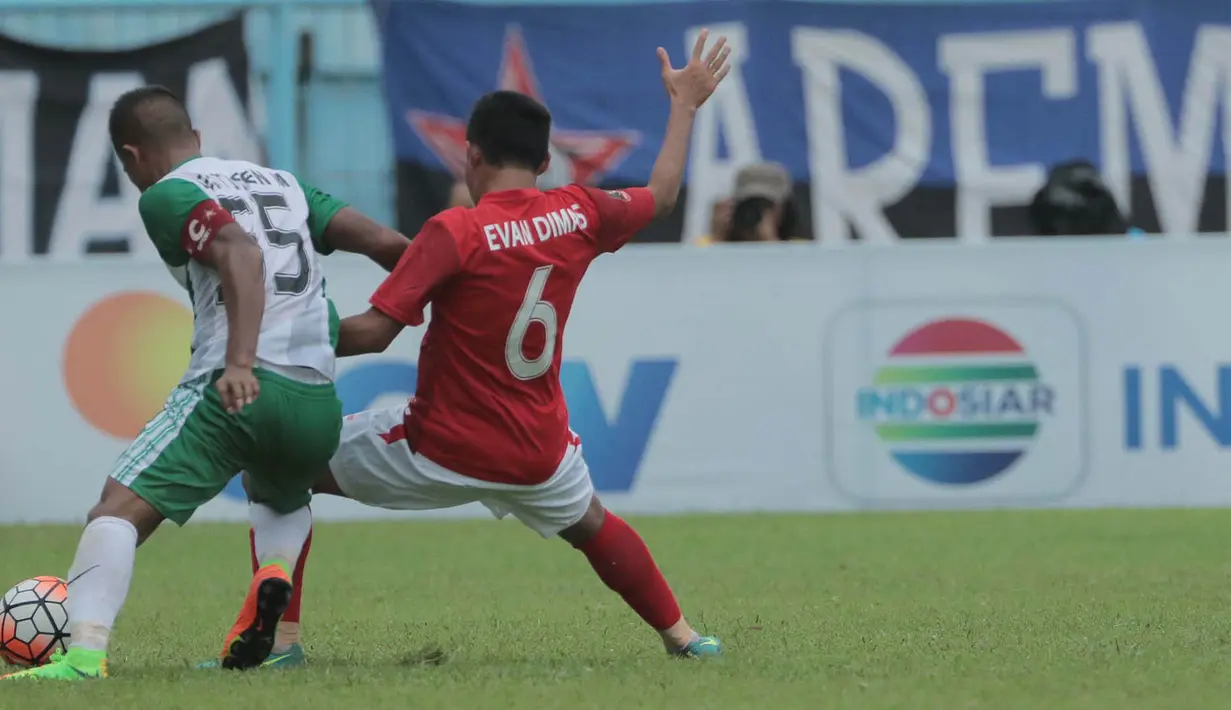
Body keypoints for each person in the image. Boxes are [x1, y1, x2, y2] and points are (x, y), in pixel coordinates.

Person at [209, 29, 733, 664]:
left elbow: (374, 333)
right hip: (539, 450)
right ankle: (685, 638)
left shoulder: (457, 230)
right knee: (594, 525)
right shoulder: (582, 212)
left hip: (442, 445)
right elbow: (666, 193)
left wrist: (272, 335)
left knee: (278, 468)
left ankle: (282, 643)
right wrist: (683, 106)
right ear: (545, 163)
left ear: (471, 155)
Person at [4, 85, 408, 681]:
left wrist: (241, 361)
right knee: (276, 491)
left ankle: (83, 656)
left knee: (116, 509)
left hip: (238, 386)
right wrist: (436, 303)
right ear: (195, 137)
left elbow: (239, 254)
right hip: (318, 398)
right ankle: (274, 574)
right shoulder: (287, 185)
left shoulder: (167, 194)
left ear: (132, 157)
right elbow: (389, 246)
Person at [721, 162, 799, 242]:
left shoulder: (803, 249)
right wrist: (720, 239)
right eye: (748, 205)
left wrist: (771, 242)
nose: (753, 214)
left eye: (766, 206)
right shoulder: (710, 246)